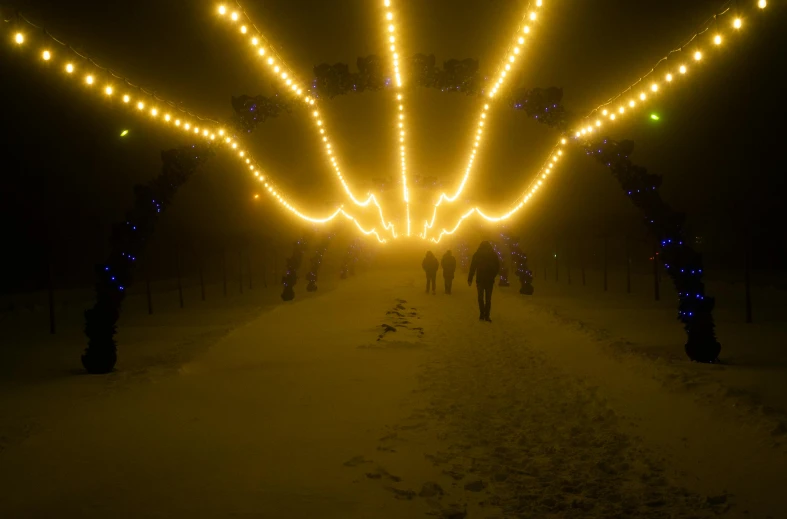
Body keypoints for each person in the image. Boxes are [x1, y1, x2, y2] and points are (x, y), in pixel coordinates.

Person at [467, 241, 500, 322]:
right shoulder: (493, 254)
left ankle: (482, 314)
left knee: (480, 298)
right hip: (489, 280)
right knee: (488, 299)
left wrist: (470, 278)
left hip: (480, 279)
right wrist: (493, 275)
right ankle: (487, 315)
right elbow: (497, 266)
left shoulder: (477, 254)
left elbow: (472, 267)